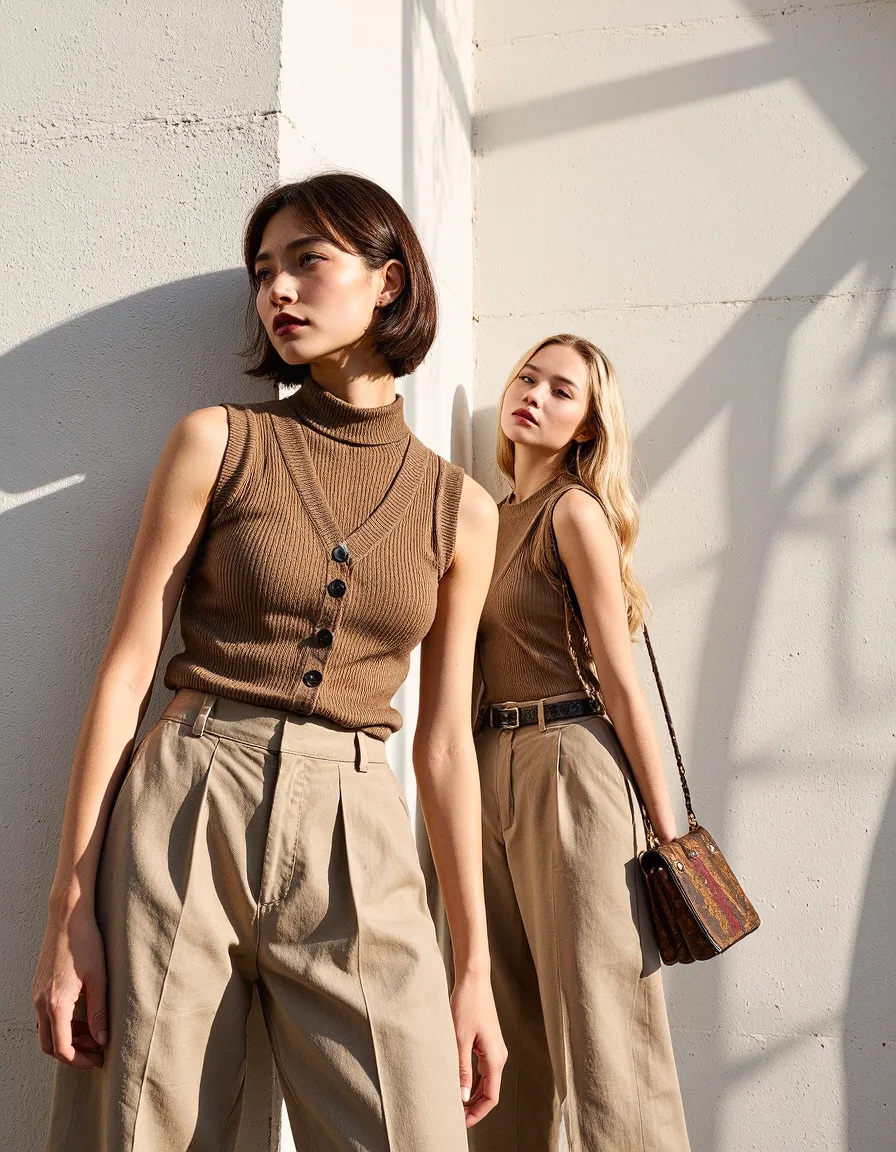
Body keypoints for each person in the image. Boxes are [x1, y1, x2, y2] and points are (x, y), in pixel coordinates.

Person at [32, 172, 506, 1152]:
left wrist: (470, 968)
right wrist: (69, 911)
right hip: (187, 802)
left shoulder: (459, 509)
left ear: (386, 282)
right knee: (147, 1127)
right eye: (262, 272)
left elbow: (446, 747)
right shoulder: (219, 441)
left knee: (409, 1129)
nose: (277, 290)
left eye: (306, 262)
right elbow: (126, 671)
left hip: (357, 828)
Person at [468, 334, 690, 1151]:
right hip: (490, 763)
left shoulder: (573, 511)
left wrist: (668, 834)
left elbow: (622, 684)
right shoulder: (487, 518)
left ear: (589, 426)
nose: (534, 394)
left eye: (562, 391)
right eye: (528, 378)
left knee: (603, 1029)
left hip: (569, 761)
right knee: (503, 1026)